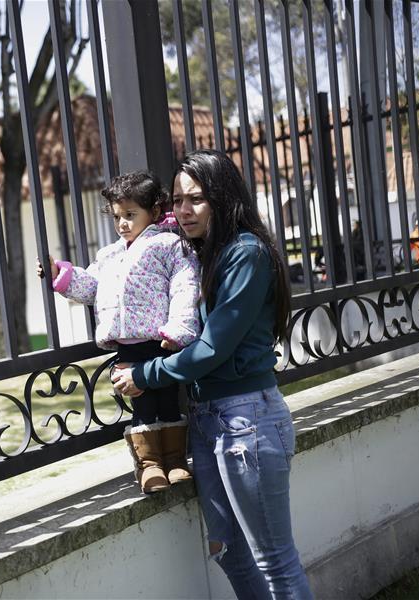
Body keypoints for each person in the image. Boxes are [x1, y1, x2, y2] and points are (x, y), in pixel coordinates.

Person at [111, 150, 313, 599]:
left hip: (247, 422)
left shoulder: (247, 254)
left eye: (196, 199)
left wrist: (148, 373)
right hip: (205, 423)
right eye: (177, 200)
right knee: (228, 552)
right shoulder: (199, 253)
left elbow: (213, 347)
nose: (183, 210)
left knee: (275, 561)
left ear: (223, 198)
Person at [37, 170, 201, 494]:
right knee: (141, 403)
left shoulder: (170, 245)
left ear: (153, 212)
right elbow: (91, 286)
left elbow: (186, 287)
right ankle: (150, 464)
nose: (123, 223)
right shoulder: (110, 255)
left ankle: (175, 461)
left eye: (130, 215)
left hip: (161, 341)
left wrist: (180, 330)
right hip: (127, 347)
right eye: (117, 217)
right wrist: (61, 274)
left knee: (168, 399)